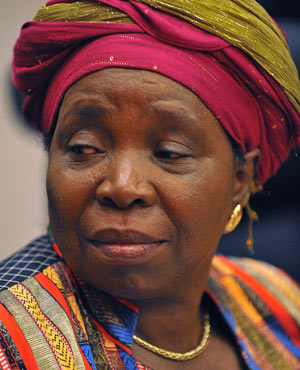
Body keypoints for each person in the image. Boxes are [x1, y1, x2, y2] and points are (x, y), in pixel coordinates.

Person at [0, 0, 300, 369]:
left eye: (170, 153)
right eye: (84, 147)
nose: (122, 187)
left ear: (240, 180)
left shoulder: (276, 301)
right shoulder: (10, 342)